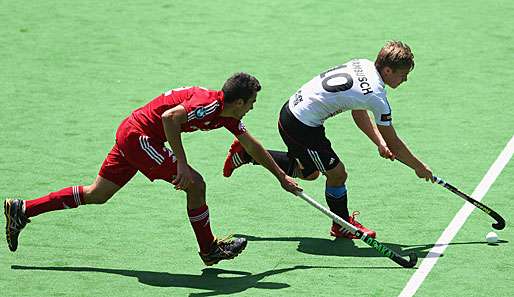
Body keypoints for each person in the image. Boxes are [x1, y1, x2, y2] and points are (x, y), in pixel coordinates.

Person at [4, 72, 301, 266]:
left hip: (132, 132)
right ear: (238, 102)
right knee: (195, 184)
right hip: (140, 138)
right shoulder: (209, 105)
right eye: (251, 102)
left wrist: (281, 177)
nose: (252, 107)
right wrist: (181, 163)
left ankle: (24, 209)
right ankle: (209, 249)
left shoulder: (227, 115)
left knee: (98, 193)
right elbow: (171, 118)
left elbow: (252, 146)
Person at [223, 41, 434, 239]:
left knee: (309, 172)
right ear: (388, 71)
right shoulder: (377, 96)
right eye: (403, 75)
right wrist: (418, 167)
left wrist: (379, 142)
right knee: (337, 174)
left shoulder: (364, 65)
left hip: (291, 112)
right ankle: (341, 224)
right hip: (302, 126)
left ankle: (246, 154)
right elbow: (395, 143)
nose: (405, 79)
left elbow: (358, 111)